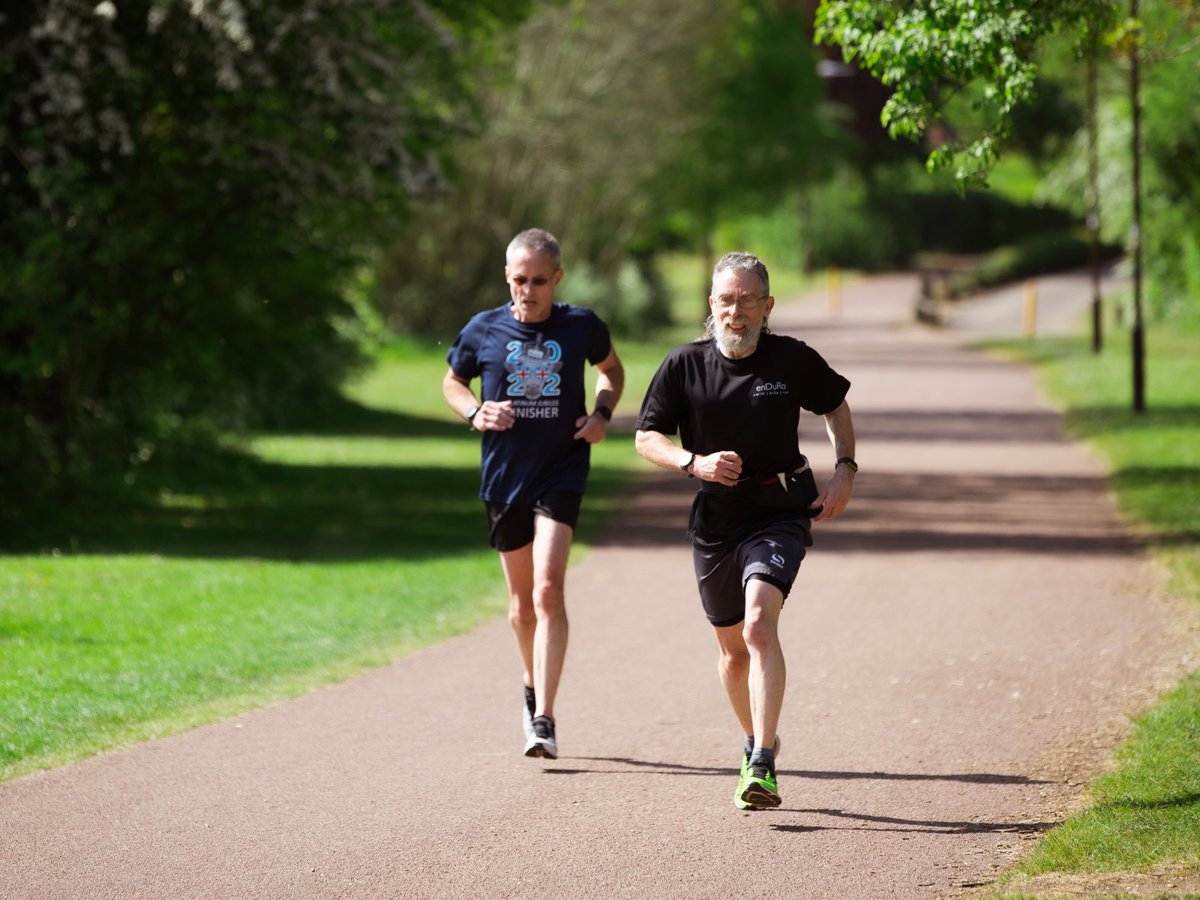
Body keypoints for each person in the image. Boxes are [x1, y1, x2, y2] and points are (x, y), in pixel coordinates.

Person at [634, 251, 856, 809]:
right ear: (712, 305)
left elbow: (835, 407)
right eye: (726, 300)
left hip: (780, 509)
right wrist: (693, 463)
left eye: (748, 300)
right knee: (732, 652)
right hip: (715, 517)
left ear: (767, 305)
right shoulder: (683, 365)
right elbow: (646, 437)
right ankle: (760, 736)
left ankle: (761, 763)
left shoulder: (792, 360)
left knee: (760, 624)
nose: (736, 311)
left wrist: (845, 471)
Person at [443, 228, 624, 760]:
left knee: (548, 591)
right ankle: (531, 683)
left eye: (539, 281)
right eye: (520, 280)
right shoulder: (483, 329)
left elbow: (611, 371)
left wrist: (601, 415)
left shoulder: (581, 326)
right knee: (521, 606)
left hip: (562, 470)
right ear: (507, 277)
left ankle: (543, 717)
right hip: (504, 477)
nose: (529, 290)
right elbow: (452, 382)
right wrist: (476, 411)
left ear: (557, 278)